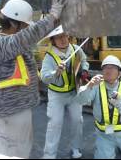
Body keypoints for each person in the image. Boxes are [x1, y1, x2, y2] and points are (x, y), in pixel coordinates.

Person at [0, 0, 66, 158]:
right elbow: (26, 38)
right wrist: (52, 17)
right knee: (9, 154)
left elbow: (30, 42)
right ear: (14, 23)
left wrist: (58, 19)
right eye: (24, 26)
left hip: (18, 109)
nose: (26, 29)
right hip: (7, 111)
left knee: (21, 150)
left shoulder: (10, 40)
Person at [75, 55, 121, 159]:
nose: (108, 70)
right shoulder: (95, 86)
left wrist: (118, 104)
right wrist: (89, 85)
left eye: (112, 67)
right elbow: (80, 101)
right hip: (104, 135)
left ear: (119, 73)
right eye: (105, 67)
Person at [40, 25, 89, 159]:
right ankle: (49, 154)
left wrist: (84, 70)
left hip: (74, 93)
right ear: (53, 40)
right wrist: (54, 72)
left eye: (64, 36)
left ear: (69, 35)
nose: (62, 39)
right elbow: (43, 77)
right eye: (58, 37)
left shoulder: (76, 49)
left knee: (77, 121)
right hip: (56, 96)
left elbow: (84, 60)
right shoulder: (49, 56)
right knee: (55, 123)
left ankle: (76, 148)